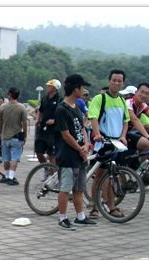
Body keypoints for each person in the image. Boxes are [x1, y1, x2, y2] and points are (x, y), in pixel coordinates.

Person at [87, 69, 130, 219]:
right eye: (114, 80)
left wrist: (123, 136)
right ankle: (95, 208)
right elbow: (93, 117)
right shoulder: (100, 98)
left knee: (111, 176)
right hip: (103, 143)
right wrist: (97, 133)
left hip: (116, 143)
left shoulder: (122, 100)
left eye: (119, 81)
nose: (117, 83)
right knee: (99, 176)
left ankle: (110, 207)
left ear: (123, 83)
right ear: (109, 81)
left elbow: (126, 121)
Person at [55, 74, 94, 230]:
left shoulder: (76, 106)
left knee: (79, 187)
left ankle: (80, 216)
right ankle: (62, 217)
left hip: (80, 154)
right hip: (67, 155)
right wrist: (80, 149)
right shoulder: (61, 109)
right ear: (75, 89)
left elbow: (82, 127)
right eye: (82, 87)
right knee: (65, 188)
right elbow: (65, 134)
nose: (84, 90)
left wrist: (86, 144)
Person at [0, 87, 28, 185]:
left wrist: (1, 131)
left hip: (4, 136)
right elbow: (24, 123)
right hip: (16, 136)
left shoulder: (3, 107)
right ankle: (11, 177)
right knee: (15, 158)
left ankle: (6, 175)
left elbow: (0, 121)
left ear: (10, 95)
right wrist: (25, 135)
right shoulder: (22, 107)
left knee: (6, 158)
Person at [34, 79, 61, 167]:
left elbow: (62, 114)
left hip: (53, 131)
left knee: (51, 154)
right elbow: (40, 110)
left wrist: (55, 120)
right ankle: (46, 168)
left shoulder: (60, 99)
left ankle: (52, 173)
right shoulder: (44, 98)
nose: (47, 88)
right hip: (42, 129)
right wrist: (38, 119)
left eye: (49, 86)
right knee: (38, 152)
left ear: (54, 88)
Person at [124, 82, 149, 153]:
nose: (143, 95)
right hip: (119, 135)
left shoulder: (143, 106)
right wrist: (147, 135)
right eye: (142, 92)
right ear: (136, 92)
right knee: (148, 143)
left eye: (147, 94)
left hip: (127, 133)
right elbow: (134, 120)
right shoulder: (128, 103)